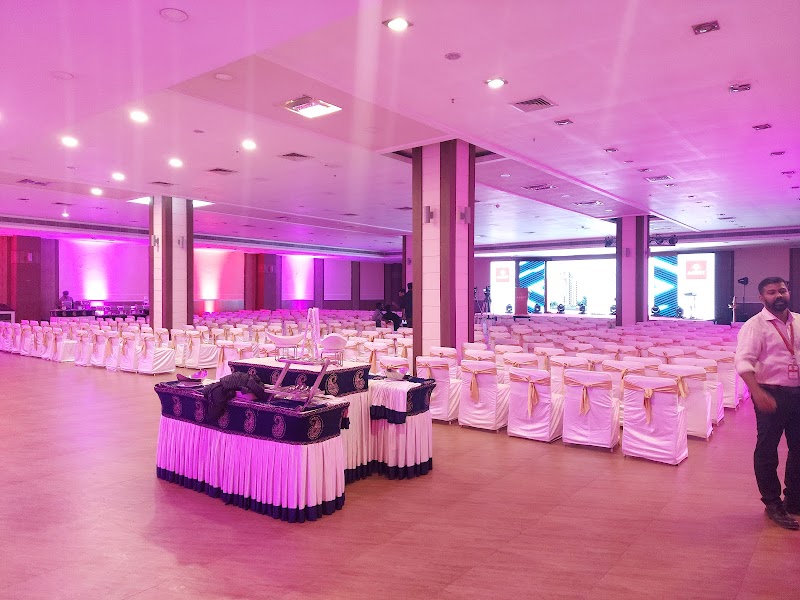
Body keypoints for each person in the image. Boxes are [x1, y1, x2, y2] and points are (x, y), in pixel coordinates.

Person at [735, 277, 800, 530]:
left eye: (782, 290)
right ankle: (772, 503)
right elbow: (743, 362)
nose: (778, 295)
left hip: (797, 393)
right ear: (762, 298)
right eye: (771, 292)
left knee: (798, 448)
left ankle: (794, 499)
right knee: (767, 449)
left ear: (788, 292)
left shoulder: (798, 321)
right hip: (770, 394)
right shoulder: (755, 326)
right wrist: (756, 392)